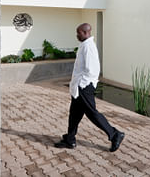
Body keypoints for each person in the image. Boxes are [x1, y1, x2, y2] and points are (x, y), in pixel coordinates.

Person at [54, 23, 125, 152]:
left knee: (92, 113)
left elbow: (92, 70)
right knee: (74, 113)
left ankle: (115, 134)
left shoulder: (89, 47)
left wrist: (81, 85)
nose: (77, 35)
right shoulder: (84, 45)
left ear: (86, 32)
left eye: (79, 33)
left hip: (84, 86)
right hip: (80, 86)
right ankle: (70, 139)